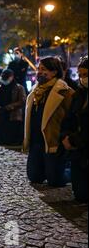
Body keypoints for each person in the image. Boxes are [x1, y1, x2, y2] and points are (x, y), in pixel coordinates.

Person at [24, 57, 74, 187]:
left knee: (55, 181)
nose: (39, 72)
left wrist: (65, 136)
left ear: (54, 72)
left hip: (53, 141)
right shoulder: (35, 92)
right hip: (36, 141)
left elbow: (73, 116)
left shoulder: (65, 92)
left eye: (44, 69)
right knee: (34, 177)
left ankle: (73, 172)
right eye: (39, 69)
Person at [61, 56, 88, 203]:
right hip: (77, 147)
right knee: (80, 194)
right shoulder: (79, 94)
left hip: (82, 143)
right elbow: (69, 118)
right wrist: (65, 136)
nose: (82, 78)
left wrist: (74, 139)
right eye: (80, 75)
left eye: (86, 75)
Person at [0, 69, 26, 147]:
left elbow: (22, 101)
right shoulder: (1, 87)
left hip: (13, 114)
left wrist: (9, 107)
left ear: (11, 77)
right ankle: (2, 140)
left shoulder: (19, 88)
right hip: (2, 113)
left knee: (12, 131)